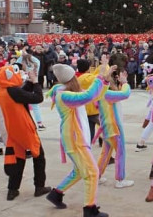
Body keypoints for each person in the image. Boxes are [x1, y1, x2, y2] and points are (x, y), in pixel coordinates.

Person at [46, 63, 112, 217]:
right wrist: (100, 77)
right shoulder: (65, 95)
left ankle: (56, 194)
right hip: (75, 140)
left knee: (78, 171)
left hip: (75, 138)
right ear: (71, 78)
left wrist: (105, 82)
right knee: (92, 173)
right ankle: (90, 209)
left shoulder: (68, 92)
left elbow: (95, 95)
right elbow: (88, 96)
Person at [0, 64, 51, 201]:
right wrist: (36, 82)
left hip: (14, 130)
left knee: (18, 159)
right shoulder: (13, 92)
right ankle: (39, 186)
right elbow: (37, 98)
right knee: (39, 156)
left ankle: (12, 190)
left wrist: (29, 81)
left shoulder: (3, 90)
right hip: (25, 129)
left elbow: (21, 94)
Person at [95, 68, 135, 189]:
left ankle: (97, 176)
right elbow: (125, 94)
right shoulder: (106, 92)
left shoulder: (99, 92)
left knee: (106, 152)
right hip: (114, 127)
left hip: (106, 126)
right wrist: (125, 82)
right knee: (120, 152)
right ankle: (120, 179)